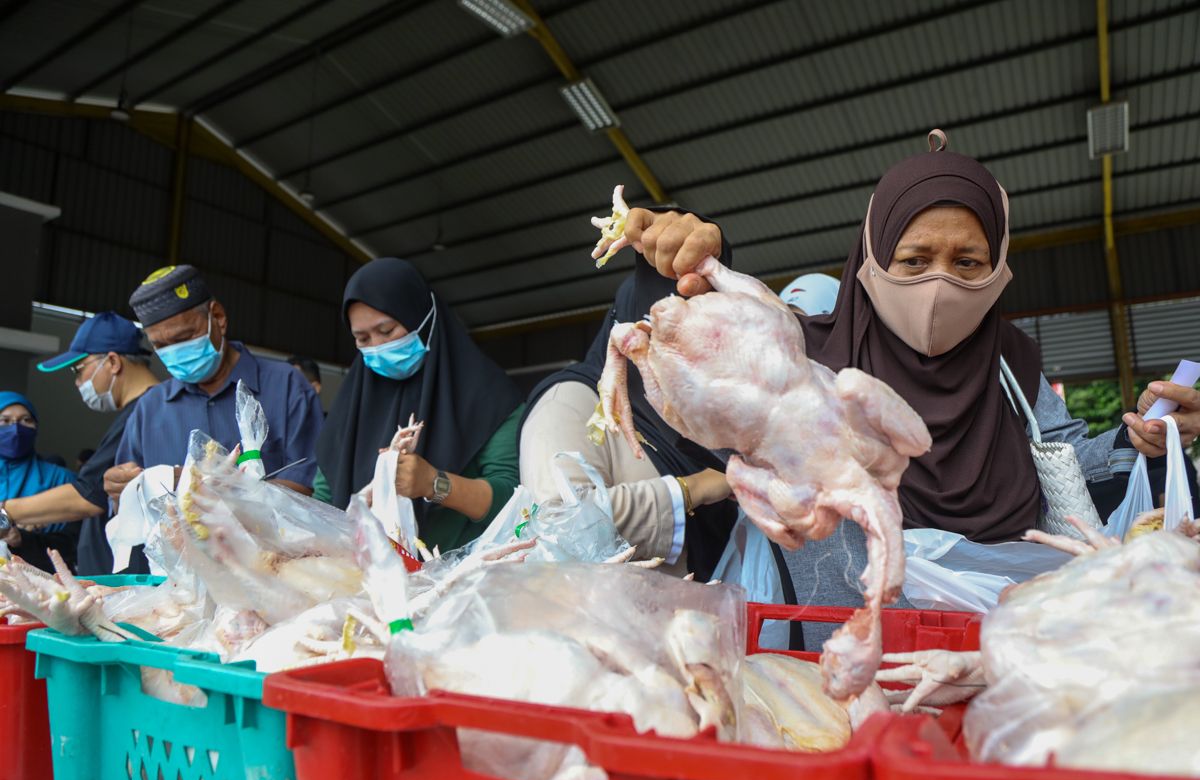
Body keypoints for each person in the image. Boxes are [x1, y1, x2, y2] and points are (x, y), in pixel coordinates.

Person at [620, 130, 1200, 633]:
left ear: (998, 268)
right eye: (915, 260)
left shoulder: (1011, 363)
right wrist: (683, 262)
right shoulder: (800, 357)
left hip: (1002, 647)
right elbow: (702, 385)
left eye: (968, 262)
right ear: (873, 260)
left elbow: (1066, 457)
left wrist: (1142, 436)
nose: (939, 285)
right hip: (840, 658)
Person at [520, 258, 738, 581]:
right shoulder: (566, 402)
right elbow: (561, 523)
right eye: (664, 338)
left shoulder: (686, 414)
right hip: (609, 622)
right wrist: (695, 488)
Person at [314, 258, 524, 553]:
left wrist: (435, 484)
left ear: (422, 319)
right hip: (362, 582)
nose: (376, 346)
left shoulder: (488, 396)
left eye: (387, 331)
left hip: (458, 580)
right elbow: (324, 497)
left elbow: (513, 498)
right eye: (362, 338)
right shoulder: (351, 407)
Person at [104, 265, 322, 510]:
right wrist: (119, 487)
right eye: (161, 345)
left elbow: (306, 487)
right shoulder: (150, 408)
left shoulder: (286, 388)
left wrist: (195, 482)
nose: (174, 352)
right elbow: (128, 501)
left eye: (183, 338)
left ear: (217, 317)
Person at [2, 312, 159, 574]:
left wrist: (6, 511)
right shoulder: (142, 412)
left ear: (112, 362)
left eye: (79, 369)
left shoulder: (147, 411)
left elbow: (88, 495)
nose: (78, 381)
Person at [0, 392, 77, 571]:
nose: (16, 428)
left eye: (25, 420)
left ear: (36, 426)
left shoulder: (62, 479)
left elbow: (75, 543)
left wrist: (24, 539)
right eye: (4, 421)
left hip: (44, 586)